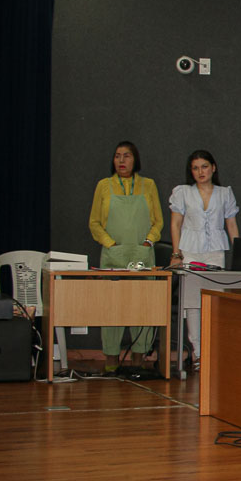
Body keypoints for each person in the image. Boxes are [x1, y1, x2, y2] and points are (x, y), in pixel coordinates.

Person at [89, 141, 164, 370]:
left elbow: (158, 221)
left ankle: (139, 358)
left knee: (143, 308)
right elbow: (94, 223)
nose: (121, 161)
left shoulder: (148, 185)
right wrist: (110, 244)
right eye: (117, 156)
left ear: (135, 159)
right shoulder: (103, 186)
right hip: (113, 257)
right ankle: (111, 359)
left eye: (127, 156)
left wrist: (148, 241)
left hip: (142, 255)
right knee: (112, 309)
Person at [168, 150, 240, 369]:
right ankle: (198, 353)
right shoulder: (182, 193)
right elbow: (175, 224)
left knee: (214, 300)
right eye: (195, 168)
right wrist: (176, 253)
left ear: (213, 168)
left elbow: (231, 225)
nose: (200, 172)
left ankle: (213, 350)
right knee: (193, 303)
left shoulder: (225, 193)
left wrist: (238, 254)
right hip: (190, 251)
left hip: (215, 252)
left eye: (204, 166)